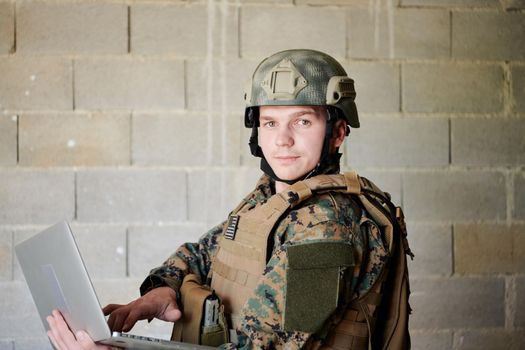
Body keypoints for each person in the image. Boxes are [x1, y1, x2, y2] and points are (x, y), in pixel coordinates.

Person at [47, 49, 411, 350]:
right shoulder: (270, 198)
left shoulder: (328, 228)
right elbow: (204, 252)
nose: (282, 140)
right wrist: (161, 290)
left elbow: (262, 347)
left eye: (302, 122)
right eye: (270, 123)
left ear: (337, 133)